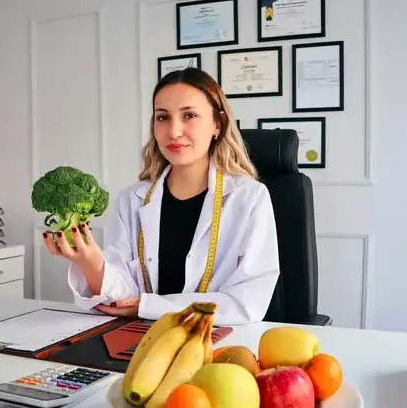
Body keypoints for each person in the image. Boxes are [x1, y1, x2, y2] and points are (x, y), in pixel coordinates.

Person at [43, 67, 280, 325]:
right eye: (163, 117)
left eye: (189, 115)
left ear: (217, 125)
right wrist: (91, 264)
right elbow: (123, 298)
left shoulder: (249, 198)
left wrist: (149, 306)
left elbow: (246, 303)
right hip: (141, 337)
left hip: (219, 339)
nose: (174, 131)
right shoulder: (131, 200)